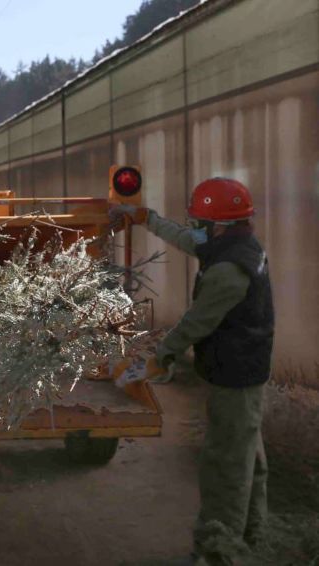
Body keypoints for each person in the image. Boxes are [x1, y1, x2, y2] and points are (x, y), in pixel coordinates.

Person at [111, 178, 274, 565]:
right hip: (243, 367)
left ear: (218, 225)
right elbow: (188, 239)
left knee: (225, 465)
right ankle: (253, 538)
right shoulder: (232, 245)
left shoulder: (228, 270)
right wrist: (146, 218)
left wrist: (160, 357)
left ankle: (218, 551)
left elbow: (194, 323)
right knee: (247, 456)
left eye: (200, 221)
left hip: (236, 374)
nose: (195, 228)